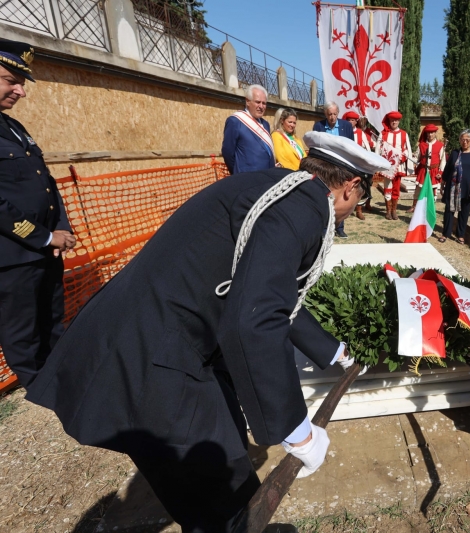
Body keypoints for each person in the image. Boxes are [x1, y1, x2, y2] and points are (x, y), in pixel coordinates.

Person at [26, 132, 392, 532]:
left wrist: (334, 351)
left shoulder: (276, 186)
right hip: (152, 355)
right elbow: (255, 317)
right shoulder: (304, 208)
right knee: (224, 499)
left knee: (219, 468)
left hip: (155, 338)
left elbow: (268, 292)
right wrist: (296, 430)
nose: (351, 211)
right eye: (359, 201)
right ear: (351, 186)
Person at [0, 40, 75, 388]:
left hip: (46, 249)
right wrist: (43, 236)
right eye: (10, 80)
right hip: (13, 257)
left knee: (52, 318)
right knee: (23, 331)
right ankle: (42, 389)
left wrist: (61, 228)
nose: (21, 91)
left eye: (22, 82)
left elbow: (46, 183)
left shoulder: (14, 128)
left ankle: (61, 376)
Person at [313, 102, 354, 237]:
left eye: (335, 114)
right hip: (325, 167)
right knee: (325, 195)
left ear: (338, 113)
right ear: (325, 114)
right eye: (329, 114)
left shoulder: (346, 126)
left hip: (341, 166)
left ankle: (339, 227)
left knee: (341, 195)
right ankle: (325, 228)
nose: (332, 117)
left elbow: (351, 147)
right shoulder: (318, 126)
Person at [440, 129, 470, 244]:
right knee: (449, 211)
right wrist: (442, 182)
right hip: (453, 188)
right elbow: (447, 169)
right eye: (462, 139)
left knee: (464, 212)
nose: (465, 142)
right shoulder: (455, 153)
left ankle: (460, 234)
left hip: (469, 188)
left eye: (467, 139)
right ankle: (446, 233)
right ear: (459, 140)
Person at [221, 84, 276, 174]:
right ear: (247, 101)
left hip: (267, 177)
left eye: (264, 103)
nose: (261, 106)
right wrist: (238, 173)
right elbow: (227, 152)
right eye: (258, 102)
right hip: (247, 178)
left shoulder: (265, 124)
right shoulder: (235, 121)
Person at [376, 111, 412, 220]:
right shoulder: (383, 134)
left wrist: (403, 157)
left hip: (398, 165)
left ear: (399, 121)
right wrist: (379, 162)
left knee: (396, 187)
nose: (394, 122)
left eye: (396, 120)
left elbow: (407, 149)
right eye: (392, 120)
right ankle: (388, 211)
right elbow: (378, 149)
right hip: (387, 165)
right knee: (387, 187)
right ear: (389, 121)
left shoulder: (404, 134)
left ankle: (394, 211)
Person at [412, 124, 446, 210]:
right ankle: (415, 206)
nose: (430, 135)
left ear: (435, 133)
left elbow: (443, 160)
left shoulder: (440, 145)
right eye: (428, 133)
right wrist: (412, 158)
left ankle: (429, 208)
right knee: (418, 189)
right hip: (423, 170)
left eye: (432, 133)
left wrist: (440, 172)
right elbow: (417, 157)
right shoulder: (421, 145)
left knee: (432, 190)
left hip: (433, 171)